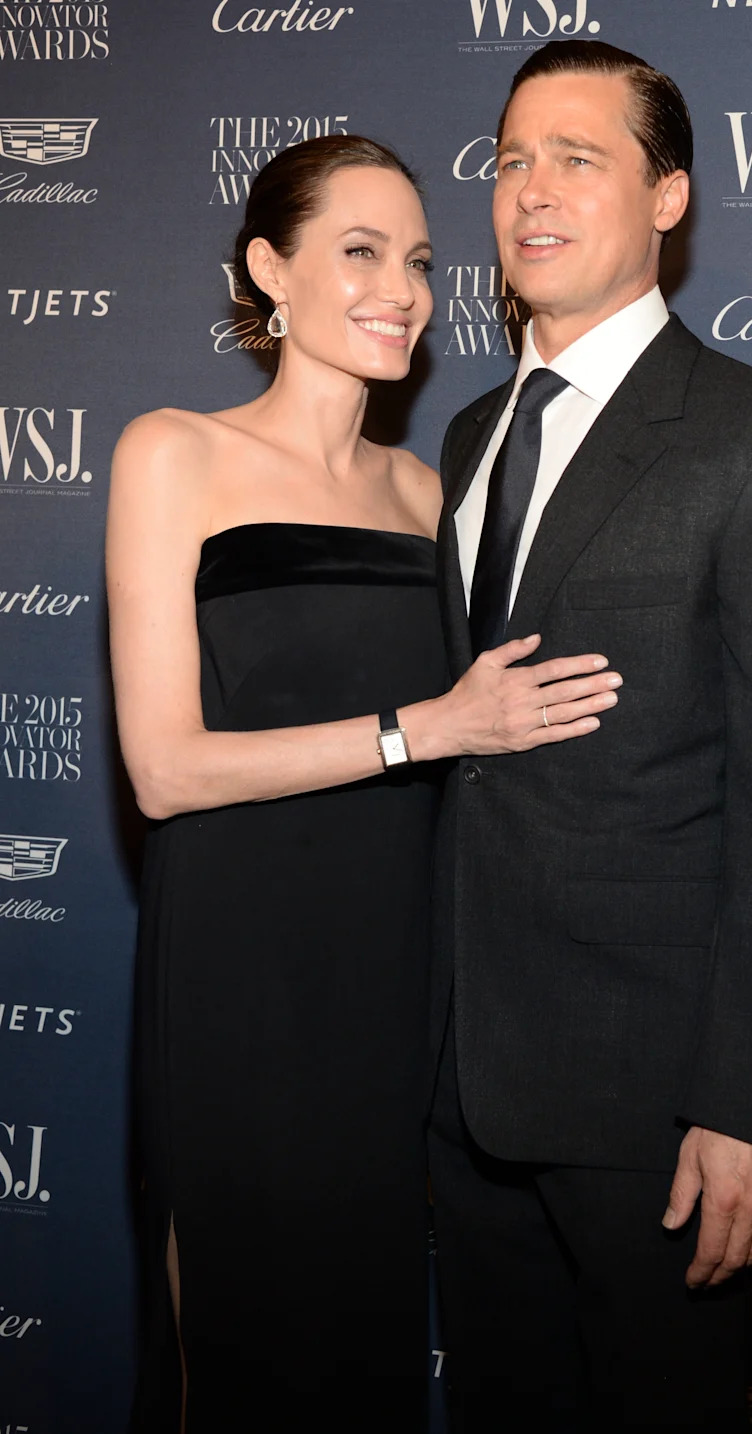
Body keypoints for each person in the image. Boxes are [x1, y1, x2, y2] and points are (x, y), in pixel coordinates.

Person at [106, 135, 618, 1430]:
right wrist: (423, 728)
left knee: (362, 1358)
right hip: (240, 979)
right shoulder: (174, 454)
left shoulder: (427, 491)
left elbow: (496, 735)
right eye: (359, 251)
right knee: (236, 1353)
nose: (402, 287)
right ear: (267, 268)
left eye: (421, 261)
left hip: (394, 984)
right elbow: (164, 769)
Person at [428, 40, 752, 1433]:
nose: (534, 189)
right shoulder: (464, 437)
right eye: (513, 158)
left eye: (581, 156)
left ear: (670, 195)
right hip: (461, 1084)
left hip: (659, 1110)